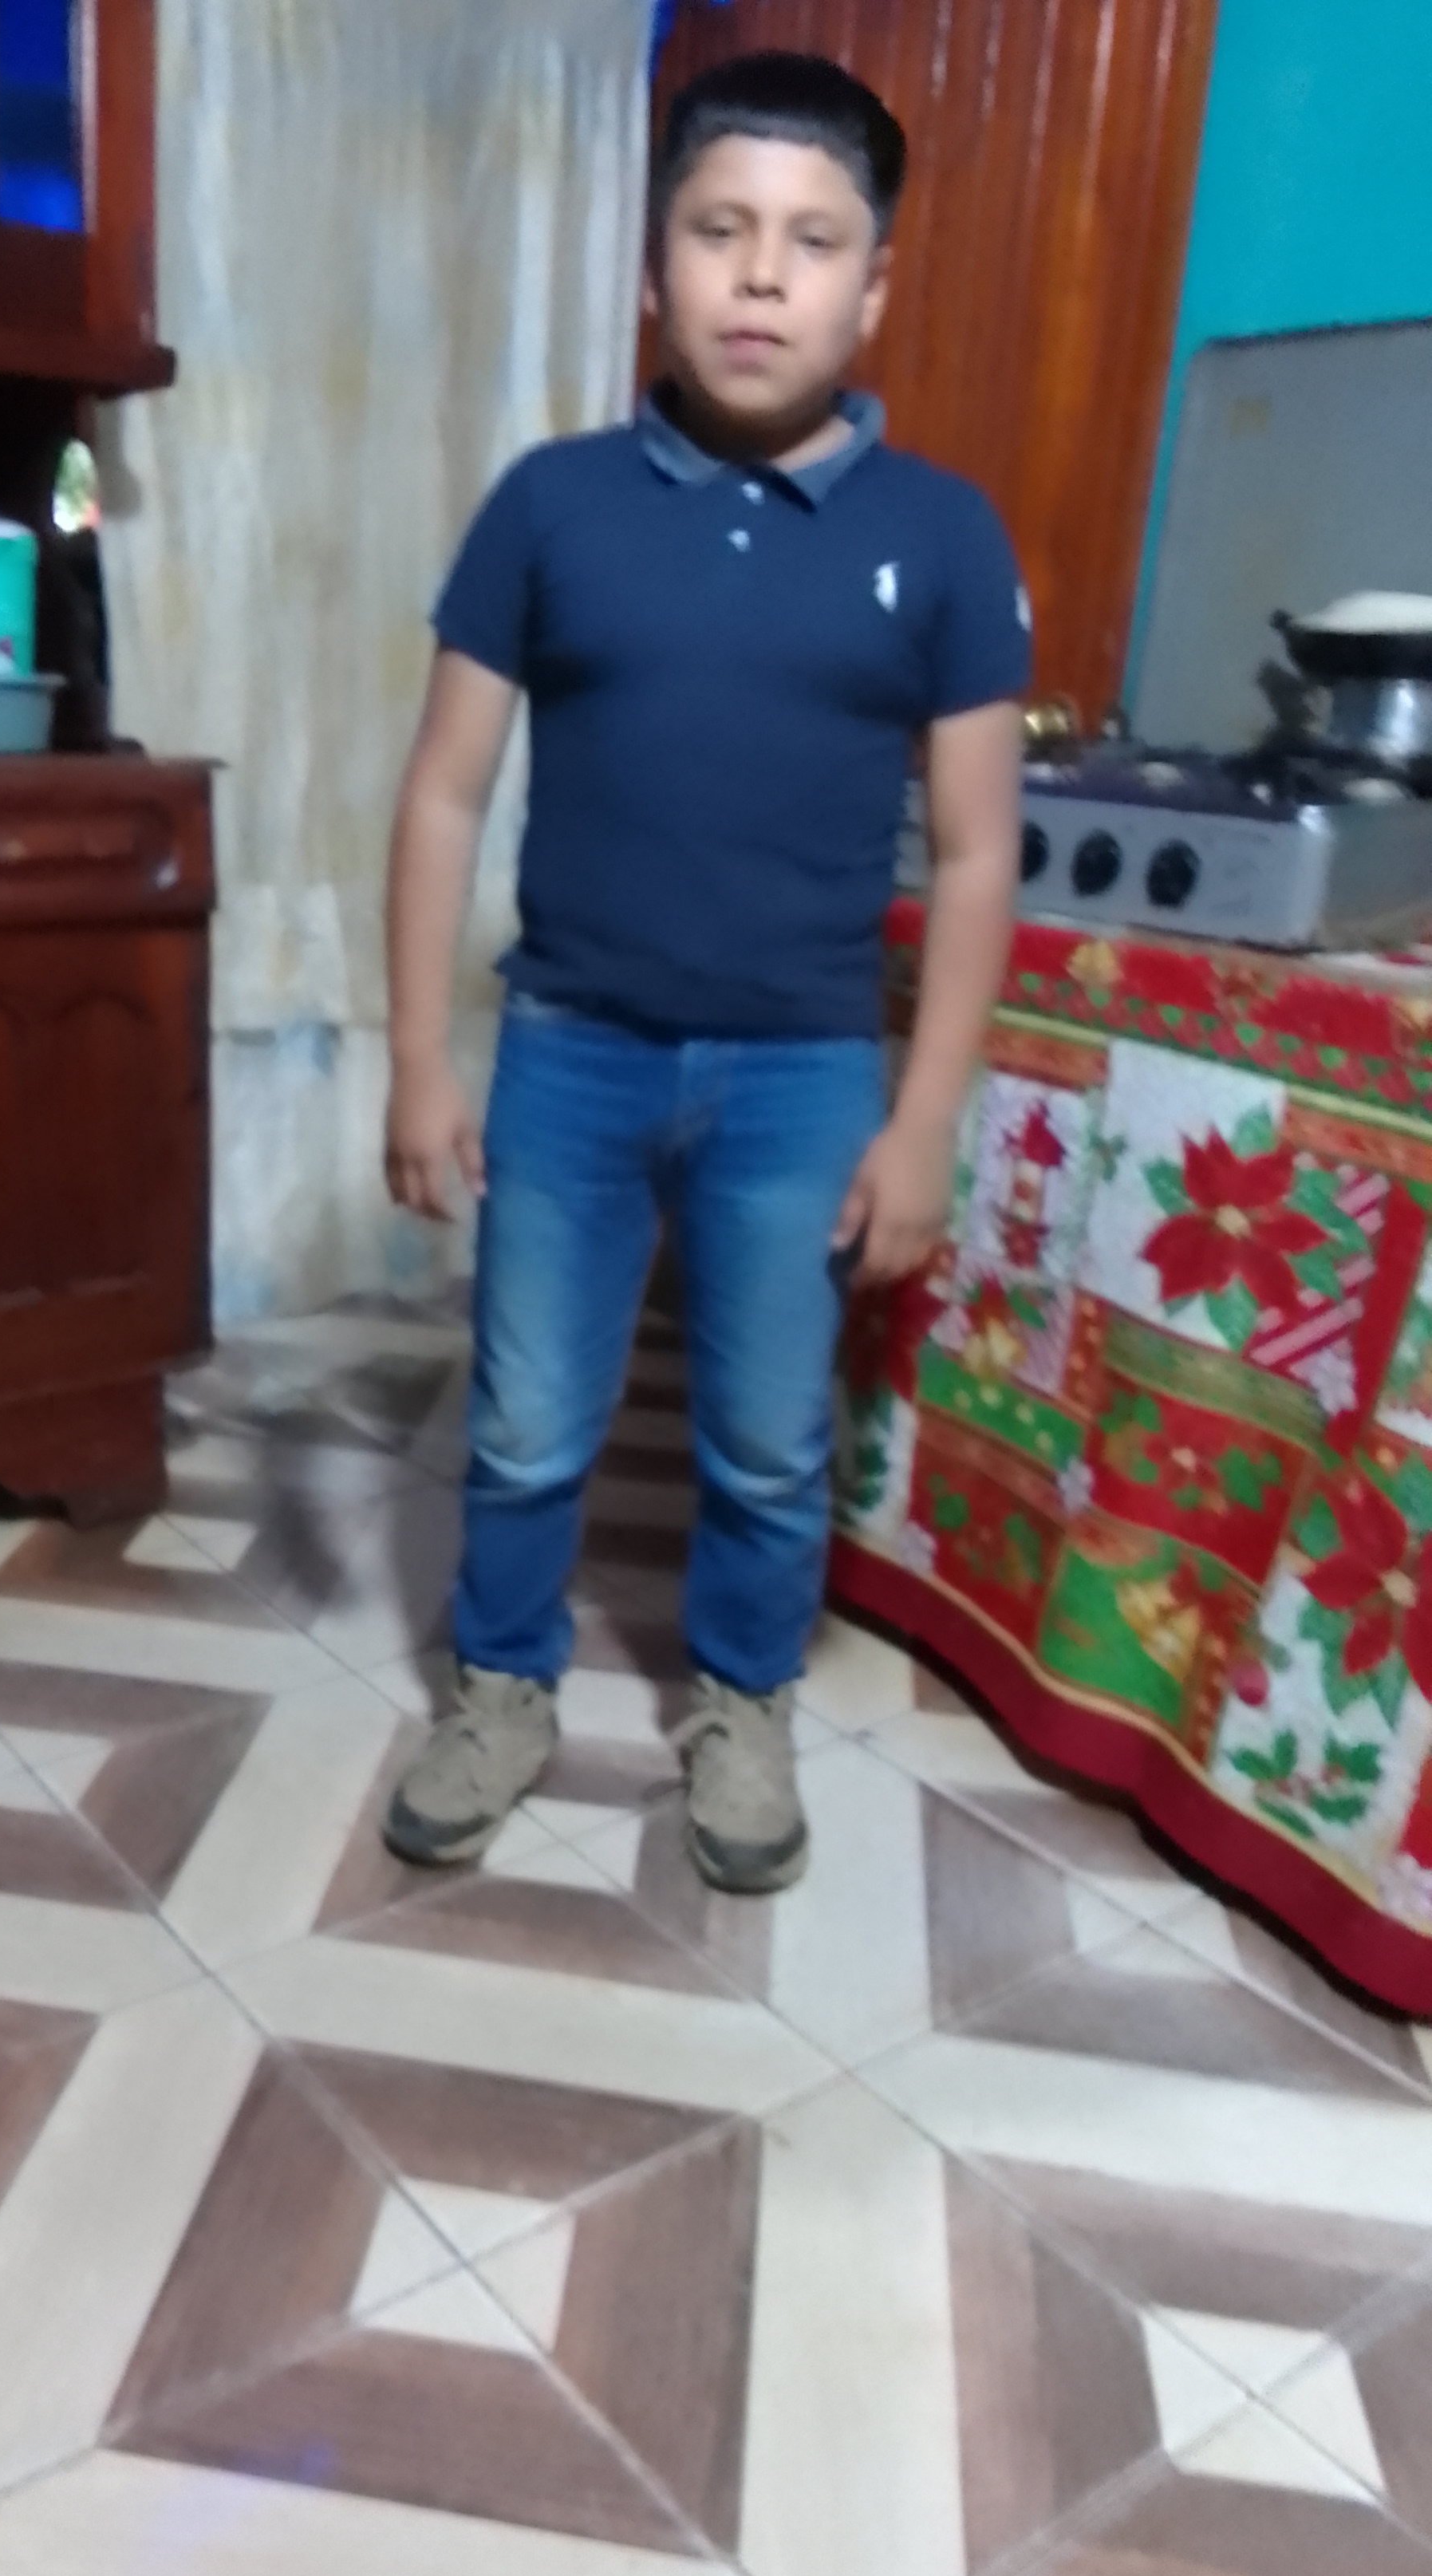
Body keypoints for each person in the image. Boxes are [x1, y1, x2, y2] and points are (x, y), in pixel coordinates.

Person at [381, 51, 1026, 1892]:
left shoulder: (942, 535)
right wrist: (420, 1057)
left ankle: (744, 1702)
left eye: (813, 241)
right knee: (524, 1418)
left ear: (872, 286)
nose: (760, 274)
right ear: (655, 260)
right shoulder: (550, 506)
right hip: (571, 1051)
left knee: (762, 1439)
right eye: (720, 229)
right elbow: (443, 793)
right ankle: (501, 1681)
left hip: (802, 1074)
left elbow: (978, 853)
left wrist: (926, 1118)